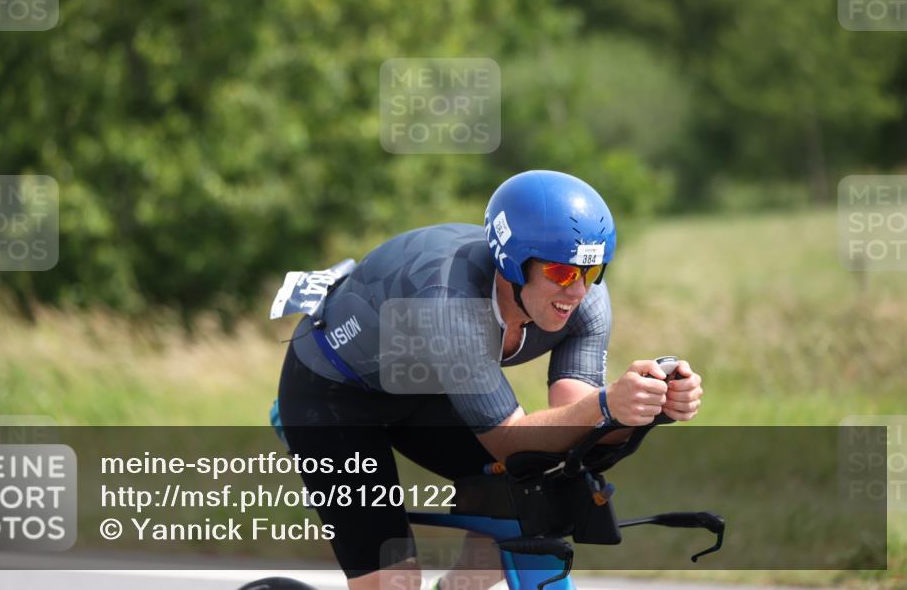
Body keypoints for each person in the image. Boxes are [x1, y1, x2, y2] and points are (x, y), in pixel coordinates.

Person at [275, 170, 703, 590]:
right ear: (513, 265)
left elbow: (574, 418)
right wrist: (609, 405)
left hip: (422, 386)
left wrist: (648, 407)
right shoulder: (449, 300)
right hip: (334, 396)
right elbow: (509, 439)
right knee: (395, 581)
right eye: (561, 272)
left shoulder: (586, 301)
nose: (577, 291)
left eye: (591, 271)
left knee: (530, 495)